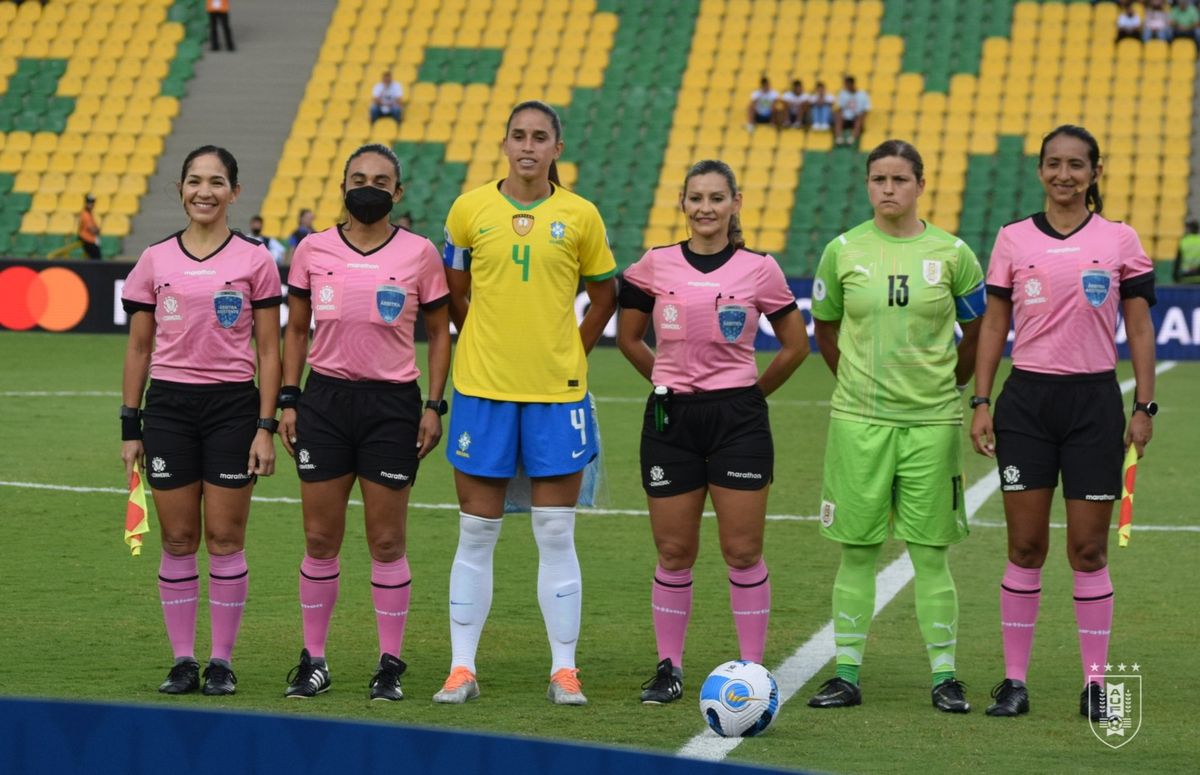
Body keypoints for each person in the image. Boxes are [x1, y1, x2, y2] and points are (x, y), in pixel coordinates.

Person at [970, 125, 1157, 721]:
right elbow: (995, 325)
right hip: (1026, 403)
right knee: (1025, 546)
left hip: (1094, 406)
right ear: (1041, 170)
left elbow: (1141, 328)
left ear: (1095, 173)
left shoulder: (1120, 240)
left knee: (1088, 550)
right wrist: (981, 399)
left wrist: (1144, 406)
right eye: (1053, 164)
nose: (1064, 175)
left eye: (1077, 165)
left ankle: (1095, 685)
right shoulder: (1012, 239)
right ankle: (1014, 682)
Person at [435, 100, 617, 706]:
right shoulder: (469, 210)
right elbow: (455, 293)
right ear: (505, 144)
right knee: (477, 532)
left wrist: (572, 351)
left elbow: (605, 294)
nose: (529, 146)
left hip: (554, 395)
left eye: (541, 137)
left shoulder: (581, 215)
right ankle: (462, 668)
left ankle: (564, 671)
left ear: (557, 148)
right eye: (519, 136)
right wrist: (486, 344)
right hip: (483, 391)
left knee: (555, 532)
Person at [616, 160, 809, 704]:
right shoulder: (655, 265)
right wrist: (665, 382)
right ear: (682, 202)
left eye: (716, 198)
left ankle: (751, 669)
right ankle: (669, 668)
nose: (705, 208)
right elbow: (630, 338)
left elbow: (795, 346)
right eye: (696, 198)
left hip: (738, 422)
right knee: (674, 550)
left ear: (735, 203)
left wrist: (751, 396)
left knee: (743, 550)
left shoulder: (760, 269)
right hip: (671, 420)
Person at [807, 139, 985, 714]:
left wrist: (953, 384)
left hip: (932, 423)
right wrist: (854, 383)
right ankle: (847, 673)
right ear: (867, 185)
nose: (888, 189)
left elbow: (980, 329)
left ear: (920, 185)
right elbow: (825, 329)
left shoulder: (954, 253)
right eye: (878, 179)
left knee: (930, 554)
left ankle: (945, 677)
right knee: (856, 552)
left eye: (900, 179)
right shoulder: (842, 251)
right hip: (858, 423)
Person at [279, 143, 451, 701]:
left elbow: (440, 334)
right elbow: (296, 331)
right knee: (319, 537)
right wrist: (288, 400)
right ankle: (315, 660)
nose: (368, 187)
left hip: (392, 406)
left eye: (381, 180)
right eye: (358, 177)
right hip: (324, 402)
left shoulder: (420, 254)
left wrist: (433, 404)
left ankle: (389, 664)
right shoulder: (312, 249)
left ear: (397, 193)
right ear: (343, 186)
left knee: (386, 540)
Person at [120, 145, 281, 696]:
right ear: (181, 189)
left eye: (216, 182)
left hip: (233, 409)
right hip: (168, 409)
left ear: (235, 192)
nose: (204, 191)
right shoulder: (154, 260)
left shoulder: (256, 260)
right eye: (194, 181)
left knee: (225, 537)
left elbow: (268, 348)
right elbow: (139, 349)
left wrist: (265, 425)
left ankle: (221, 661)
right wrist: (129, 427)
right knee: (180, 536)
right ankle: (183, 660)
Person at [833, 75, 871, 147]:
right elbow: (840, 107)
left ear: (852, 84)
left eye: (847, 84)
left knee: (859, 117)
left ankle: (852, 138)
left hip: (857, 117)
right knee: (837, 115)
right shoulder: (843, 94)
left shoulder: (863, 94)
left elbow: (866, 109)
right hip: (846, 117)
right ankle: (839, 138)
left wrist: (863, 118)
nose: (845, 86)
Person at [1174, 217, 1200, 282]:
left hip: (1186, 277)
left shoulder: (1183, 241)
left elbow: (1178, 261)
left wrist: (1176, 277)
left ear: (1189, 229)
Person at [78, 193, 100, 259]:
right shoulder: (85, 214)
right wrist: (97, 230)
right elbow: (92, 230)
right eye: (89, 202)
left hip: (91, 239)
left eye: (92, 202)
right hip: (88, 240)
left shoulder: (89, 213)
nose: (91, 204)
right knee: (96, 258)